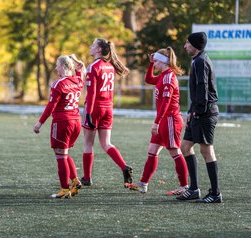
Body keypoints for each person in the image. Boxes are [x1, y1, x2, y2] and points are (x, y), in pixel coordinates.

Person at [127, 47, 189, 195]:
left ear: (163, 62)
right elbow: (149, 79)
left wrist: (157, 122)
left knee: (174, 151)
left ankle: (184, 186)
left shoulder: (168, 77)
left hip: (170, 120)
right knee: (152, 151)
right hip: (164, 120)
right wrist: (149, 64)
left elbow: (166, 103)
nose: (154, 64)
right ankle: (143, 184)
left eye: (155, 61)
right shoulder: (163, 75)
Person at [177, 32, 222, 203]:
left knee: (206, 150)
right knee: (186, 146)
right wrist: (190, 111)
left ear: (194, 45)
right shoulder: (197, 60)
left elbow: (203, 88)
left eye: (187, 43)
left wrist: (197, 111)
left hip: (205, 112)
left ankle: (216, 193)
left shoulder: (201, 61)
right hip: (198, 111)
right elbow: (196, 92)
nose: (185, 46)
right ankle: (194, 189)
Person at [81, 38, 133, 187]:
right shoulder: (110, 66)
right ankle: (124, 167)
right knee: (106, 143)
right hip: (108, 108)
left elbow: (91, 94)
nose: (90, 47)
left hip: (95, 108)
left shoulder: (93, 67)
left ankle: (87, 177)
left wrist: (89, 112)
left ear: (98, 50)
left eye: (93, 45)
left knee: (87, 144)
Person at [34, 54, 85, 199]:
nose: (56, 68)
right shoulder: (77, 81)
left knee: (60, 155)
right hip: (76, 121)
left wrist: (40, 123)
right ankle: (75, 181)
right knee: (65, 152)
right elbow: (81, 77)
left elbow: (51, 106)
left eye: (57, 65)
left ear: (63, 66)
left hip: (63, 122)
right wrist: (80, 69)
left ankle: (64, 188)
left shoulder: (59, 84)